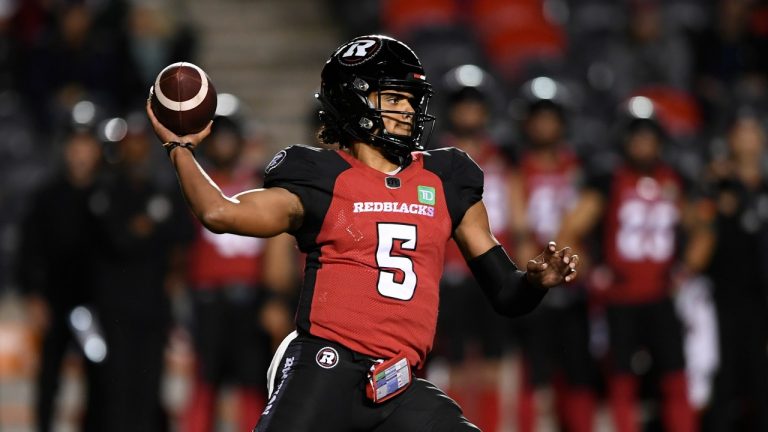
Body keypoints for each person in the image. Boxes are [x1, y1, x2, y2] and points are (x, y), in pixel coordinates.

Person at [146, 34, 579, 432]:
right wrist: (179, 149)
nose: (408, 110)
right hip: (325, 368)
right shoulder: (321, 176)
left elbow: (506, 293)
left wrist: (535, 282)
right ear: (353, 101)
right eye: (393, 97)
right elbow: (220, 213)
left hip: (398, 383)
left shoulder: (446, 178)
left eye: (411, 99)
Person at [557, 115, 711, 432]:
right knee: (621, 380)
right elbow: (569, 231)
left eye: (648, 137)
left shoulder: (673, 181)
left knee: (675, 376)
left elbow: (703, 231)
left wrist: (685, 271)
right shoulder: (610, 182)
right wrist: (589, 272)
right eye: (636, 137)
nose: (642, 144)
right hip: (620, 299)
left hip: (661, 296)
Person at [180, 115, 296, 432]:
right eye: (219, 138)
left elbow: (278, 248)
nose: (224, 145)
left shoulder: (262, 184)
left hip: (250, 301)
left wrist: (275, 297)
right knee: (204, 385)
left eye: (231, 138)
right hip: (207, 302)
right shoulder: (196, 186)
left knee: (252, 385)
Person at [509, 94, 597, 432]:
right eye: (538, 119)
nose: (545, 126)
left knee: (577, 373)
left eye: (551, 118)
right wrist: (535, 272)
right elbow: (518, 233)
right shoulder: (519, 172)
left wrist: (572, 261)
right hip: (536, 280)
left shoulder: (578, 169)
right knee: (533, 374)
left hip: (573, 280)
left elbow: (584, 225)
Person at [16, 127, 103, 432]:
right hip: (55, 301)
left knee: (99, 373)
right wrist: (33, 296)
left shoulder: (107, 193)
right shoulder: (47, 196)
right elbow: (28, 250)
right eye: (76, 146)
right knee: (49, 376)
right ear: (66, 150)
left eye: (87, 146)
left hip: (96, 304)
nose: (81, 154)